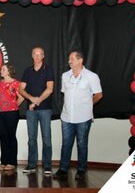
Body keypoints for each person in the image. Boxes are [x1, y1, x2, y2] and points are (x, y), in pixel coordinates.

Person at [54, 50, 103, 180]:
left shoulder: (92, 76)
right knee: (66, 144)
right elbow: (65, 93)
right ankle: (63, 169)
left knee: (82, 144)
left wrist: (88, 105)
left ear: (80, 60)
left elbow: (99, 95)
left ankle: (81, 170)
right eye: (69, 59)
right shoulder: (65, 76)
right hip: (66, 117)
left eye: (72, 59)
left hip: (83, 117)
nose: (69, 61)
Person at [19, 46, 54, 175]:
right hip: (31, 111)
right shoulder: (27, 71)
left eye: (40, 54)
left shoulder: (48, 69)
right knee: (32, 138)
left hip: (45, 109)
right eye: (35, 54)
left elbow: (49, 89)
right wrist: (31, 99)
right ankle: (31, 164)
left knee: (46, 138)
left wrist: (36, 101)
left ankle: (47, 166)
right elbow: (21, 89)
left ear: (43, 56)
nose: (37, 56)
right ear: (32, 56)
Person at [0, 64, 24, 171]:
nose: (1, 71)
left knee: (11, 136)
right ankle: (3, 162)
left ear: (9, 71)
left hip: (11, 114)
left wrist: (14, 105)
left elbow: (21, 97)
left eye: (3, 69)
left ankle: (11, 162)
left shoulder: (16, 83)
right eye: (1, 69)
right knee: (2, 136)